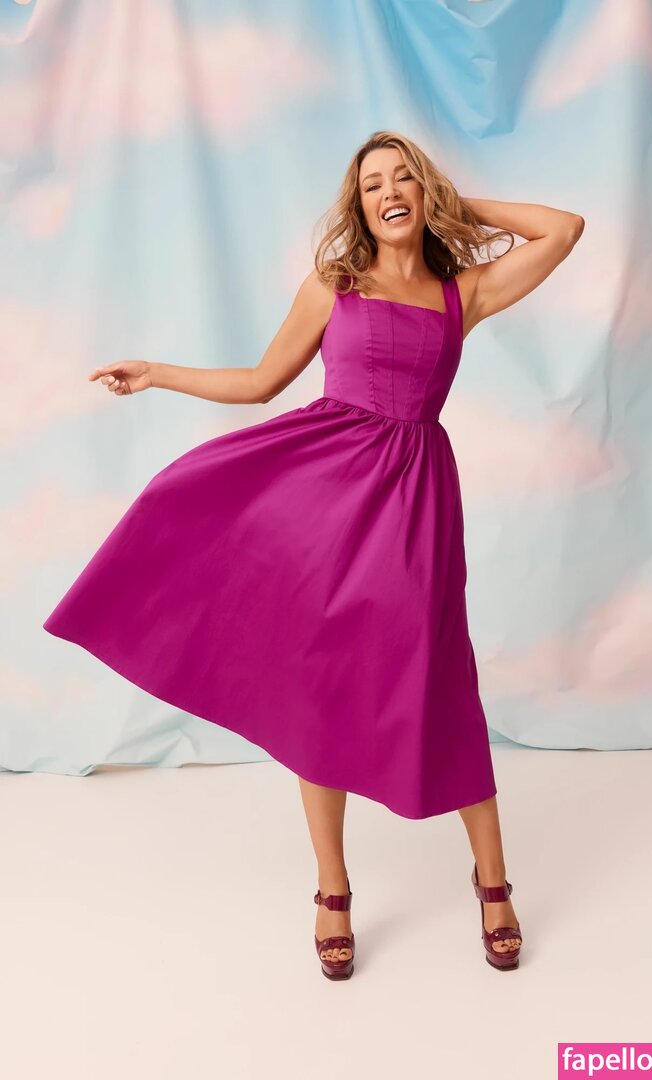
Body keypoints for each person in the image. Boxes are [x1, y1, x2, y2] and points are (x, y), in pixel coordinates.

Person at [43, 129, 584, 980]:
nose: (389, 193)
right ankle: (333, 887)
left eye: (404, 180)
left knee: (441, 678)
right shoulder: (334, 286)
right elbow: (262, 383)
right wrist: (159, 372)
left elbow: (564, 228)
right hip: (324, 500)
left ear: (424, 191)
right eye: (373, 185)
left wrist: (450, 201)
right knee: (319, 685)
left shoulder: (462, 294)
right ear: (357, 206)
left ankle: (492, 881)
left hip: (414, 505)